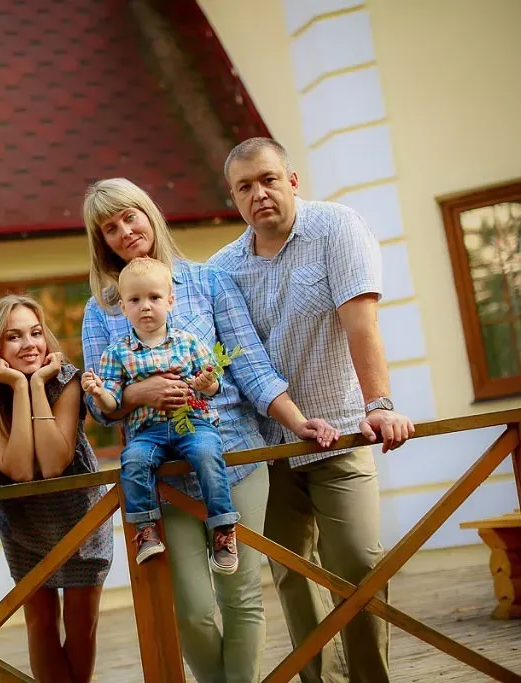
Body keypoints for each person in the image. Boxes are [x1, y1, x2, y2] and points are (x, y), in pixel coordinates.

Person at [81, 177, 339, 683]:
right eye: (110, 228)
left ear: (149, 214)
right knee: (192, 608)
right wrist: (138, 393)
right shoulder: (101, 308)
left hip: (234, 454)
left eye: (130, 216)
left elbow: (250, 366)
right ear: (101, 242)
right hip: (163, 472)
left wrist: (295, 419)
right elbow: (101, 405)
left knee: (241, 597)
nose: (124, 231)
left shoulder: (209, 282)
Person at [211, 137, 415, 683]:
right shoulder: (222, 269)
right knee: (294, 576)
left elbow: (361, 324)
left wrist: (380, 405)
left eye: (269, 179)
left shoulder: (337, 227)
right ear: (233, 198)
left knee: (359, 563)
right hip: (266, 449)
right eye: (245, 187)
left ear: (292, 180)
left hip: (342, 433)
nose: (259, 194)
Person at [0, 295, 114, 683]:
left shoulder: (67, 380)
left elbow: (53, 463)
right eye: (14, 337)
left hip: (81, 515)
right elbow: (20, 470)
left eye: (35, 333)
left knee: (82, 622)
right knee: (41, 622)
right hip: (24, 520)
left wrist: (38, 385)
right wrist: (19, 386)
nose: (29, 344)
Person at [82, 257, 241, 572]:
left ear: (170, 301)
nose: (145, 306)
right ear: (123, 308)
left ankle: (223, 527)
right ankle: (146, 529)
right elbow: (112, 404)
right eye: (135, 300)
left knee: (207, 454)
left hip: (193, 424)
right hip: (148, 432)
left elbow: (214, 385)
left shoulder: (189, 343)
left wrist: (207, 383)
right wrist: (99, 392)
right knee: (133, 460)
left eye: (154, 297)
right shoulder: (116, 353)